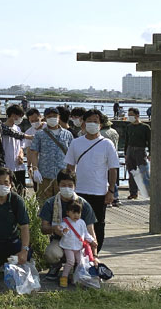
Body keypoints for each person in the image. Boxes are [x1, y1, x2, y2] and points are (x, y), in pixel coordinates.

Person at [64, 109, 119, 251]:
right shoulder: (76, 143)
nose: (92, 124)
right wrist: (69, 189)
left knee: (98, 224)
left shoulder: (107, 144)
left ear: (100, 125)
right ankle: (79, 253)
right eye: (89, 121)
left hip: (99, 191)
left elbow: (113, 169)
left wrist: (111, 191)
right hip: (79, 191)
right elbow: (70, 167)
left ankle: (95, 254)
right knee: (77, 222)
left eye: (96, 121)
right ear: (83, 123)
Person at [38, 170, 98, 281]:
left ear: (75, 186)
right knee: (52, 253)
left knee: (81, 260)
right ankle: (56, 266)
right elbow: (43, 228)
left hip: (79, 242)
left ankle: (77, 268)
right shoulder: (50, 203)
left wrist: (95, 256)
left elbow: (90, 231)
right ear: (58, 185)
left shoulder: (83, 204)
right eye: (63, 185)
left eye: (70, 185)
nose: (67, 188)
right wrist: (54, 229)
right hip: (59, 240)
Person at [28, 107, 74, 203]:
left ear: (59, 117)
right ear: (45, 118)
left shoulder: (68, 134)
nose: (52, 118)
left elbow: (72, 154)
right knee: (43, 204)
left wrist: (72, 172)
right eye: (49, 116)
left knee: (63, 203)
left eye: (54, 116)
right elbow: (34, 152)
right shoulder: (40, 134)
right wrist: (35, 169)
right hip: (44, 175)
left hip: (62, 176)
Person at [58, 199, 97, 287]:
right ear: (68, 213)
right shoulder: (65, 222)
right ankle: (64, 277)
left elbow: (85, 234)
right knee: (70, 262)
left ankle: (77, 277)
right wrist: (64, 231)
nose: (76, 215)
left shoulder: (82, 222)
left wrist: (92, 241)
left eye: (78, 213)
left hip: (79, 247)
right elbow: (61, 230)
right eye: (73, 212)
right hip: (68, 246)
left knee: (80, 262)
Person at [125, 107, 151, 200]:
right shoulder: (129, 127)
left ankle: (148, 192)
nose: (130, 117)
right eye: (129, 115)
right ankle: (133, 193)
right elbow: (126, 141)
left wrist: (150, 153)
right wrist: (125, 153)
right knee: (131, 172)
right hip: (130, 150)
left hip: (141, 150)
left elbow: (149, 141)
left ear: (137, 115)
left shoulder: (145, 127)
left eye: (131, 115)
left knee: (144, 171)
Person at [2, 105, 27, 194]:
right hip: (6, 165)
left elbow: (21, 146)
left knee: (21, 191)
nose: (20, 119)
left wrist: (21, 154)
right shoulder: (2, 128)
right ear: (12, 115)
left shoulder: (18, 128)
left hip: (19, 166)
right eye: (19, 116)